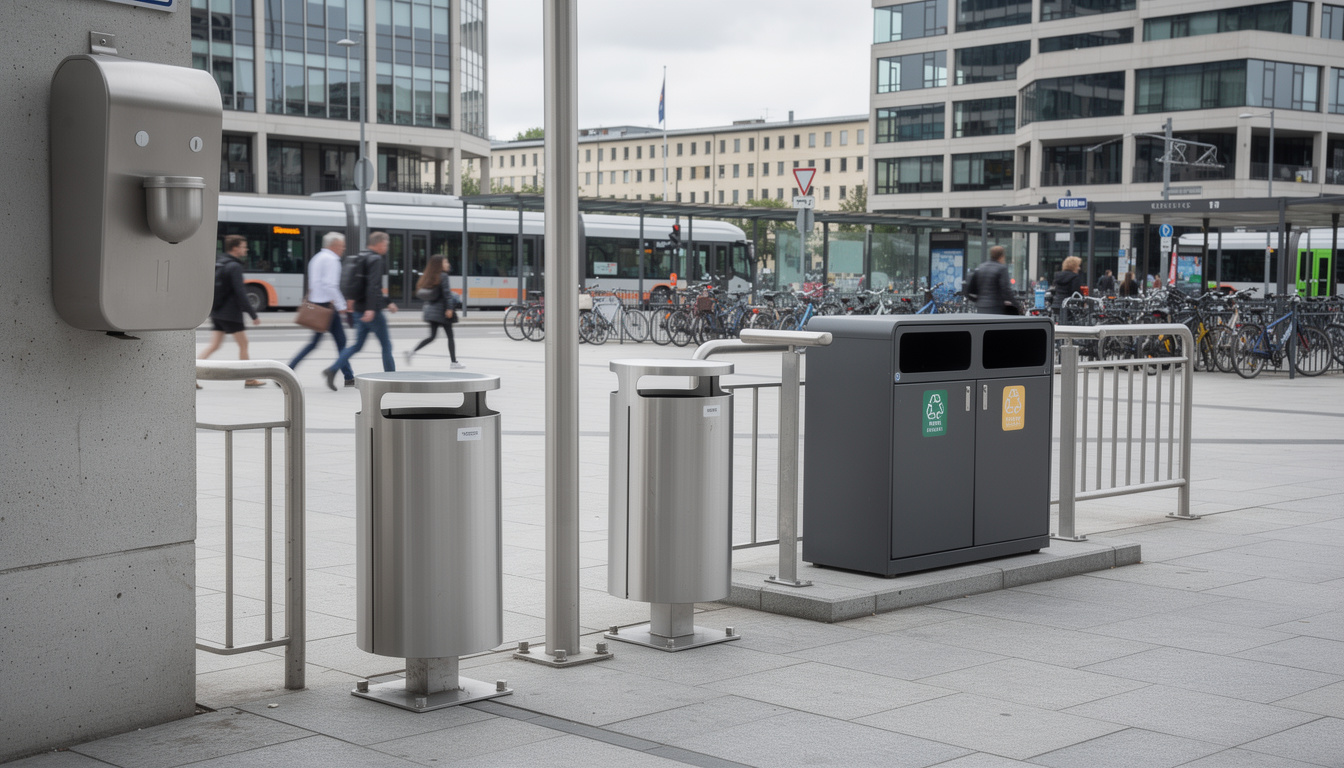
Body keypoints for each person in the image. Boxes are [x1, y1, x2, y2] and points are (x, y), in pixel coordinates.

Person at [323, 231, 398, 390]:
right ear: (378, 243)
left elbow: (360, 285)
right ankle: (392, 379)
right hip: (372, 311)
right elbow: (373, 286)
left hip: (358, 309)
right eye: (386, 244)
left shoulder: (360, 257)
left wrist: (386, 302)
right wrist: (371, 309)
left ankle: (333, 369)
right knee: (386, 345)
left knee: (357, 345)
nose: (386, 247)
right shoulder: (376, 259)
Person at [286, 232, 355, 387]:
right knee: (340, 343)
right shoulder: (332, 260)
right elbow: (330, 285)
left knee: (324, 343)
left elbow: (314, 284)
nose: (343, 249)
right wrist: (342, 305)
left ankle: (348, 376)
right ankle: (344, 375)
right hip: (327, 308)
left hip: (316, 306)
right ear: (334, 245)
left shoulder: (316, 258)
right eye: (342, 246)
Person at [199, 234, 262, 388]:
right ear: (235, 248)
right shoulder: (235, 266)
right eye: (243, 246)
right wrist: (253, 314)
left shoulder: (220, 263)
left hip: (217, 311)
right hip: (231, 314)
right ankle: (249, 379)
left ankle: (190, 375)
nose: (246, 249)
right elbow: (240, 293)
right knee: (244, 344)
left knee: (214, 346)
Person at [405, 254, 464, 369]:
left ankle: (412, 352)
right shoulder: (443, 276)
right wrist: (449, 309)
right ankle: (454, 362)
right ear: (439, 264)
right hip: (442, 311)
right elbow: (447, 294)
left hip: (431, 312)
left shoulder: (430, 276)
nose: (448, 264)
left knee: (432, 336)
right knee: (450, 336)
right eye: (446, 262)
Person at [967, 245, 1017, 315]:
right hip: (996, 307)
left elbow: (973, 288)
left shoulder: (981, 267)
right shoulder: (1002, 269)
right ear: (1001, 256)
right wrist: (1015, 304)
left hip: (981, 306)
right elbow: (1006, 289)